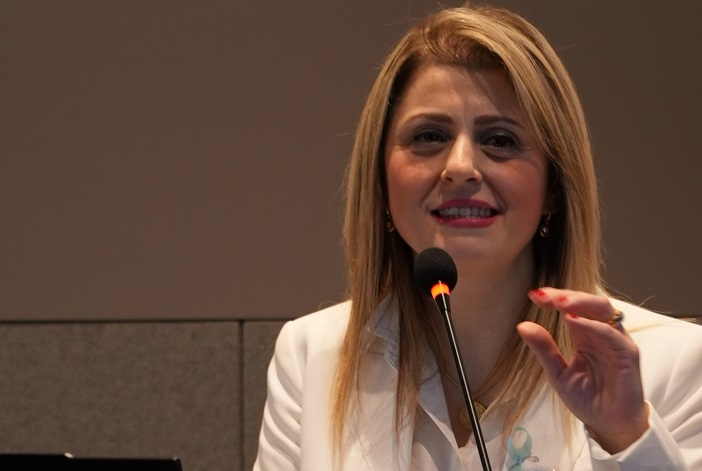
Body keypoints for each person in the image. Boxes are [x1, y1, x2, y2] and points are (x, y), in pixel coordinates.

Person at [253, 4, 702, 470]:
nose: (460, 167)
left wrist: (626, 438)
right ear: (380, 181)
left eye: (500, 140)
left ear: (553, 188)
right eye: (429, 136)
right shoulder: (312, 355)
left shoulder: (672, 365)